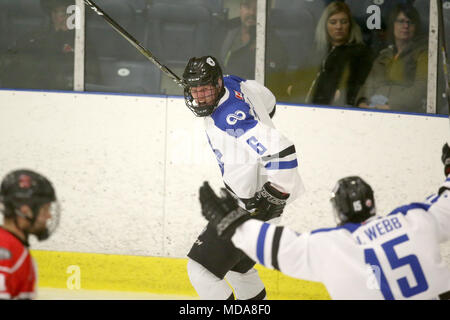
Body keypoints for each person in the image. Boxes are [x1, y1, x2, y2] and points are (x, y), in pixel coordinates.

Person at [199, 143, 450, 300]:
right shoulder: (415, 220)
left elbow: (280, 247)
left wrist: (233, 223)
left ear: (338, 211)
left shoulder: (334, 246)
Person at [182, 55, 305, 300]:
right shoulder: (233, 82)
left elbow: (281, 149)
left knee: (200, 270)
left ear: (217, 84)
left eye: (205, 89)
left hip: (251, 209)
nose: (200, 97)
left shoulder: (228, 118)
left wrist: (276, 194)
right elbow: (268, 101)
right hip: (261, 211)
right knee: (239, 270)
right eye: (195, 90)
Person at [285, 1, 373, 106]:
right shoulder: (317, 50)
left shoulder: (360, 53)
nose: (339, 26)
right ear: (325, 25)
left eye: (344, 22)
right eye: (333, 22)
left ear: (350, 25)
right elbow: (298, 77)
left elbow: (358, 87)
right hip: (302, 106)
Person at [0, 169, 61, 300]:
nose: (49, 216)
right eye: (45, 209)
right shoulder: (8, 252)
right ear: (25, 211)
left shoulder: (15, 249)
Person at [356, 3, 428, 113]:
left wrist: (391, 106)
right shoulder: (384, 56)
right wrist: (361, 102)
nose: (405, 26)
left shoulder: (424, 54)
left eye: (410, 22)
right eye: (401, 21)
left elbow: (421, 89)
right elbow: (368, 86)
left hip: (406, 115)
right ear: (392, 24)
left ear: (416, 26)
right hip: (373, 112)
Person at [213, 0, 288, 89]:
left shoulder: (274, 45)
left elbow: (275, 82)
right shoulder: (224, 32)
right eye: (247, 7)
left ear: (267, 12)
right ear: (240, 9)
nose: (252, 13)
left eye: (257, 8)